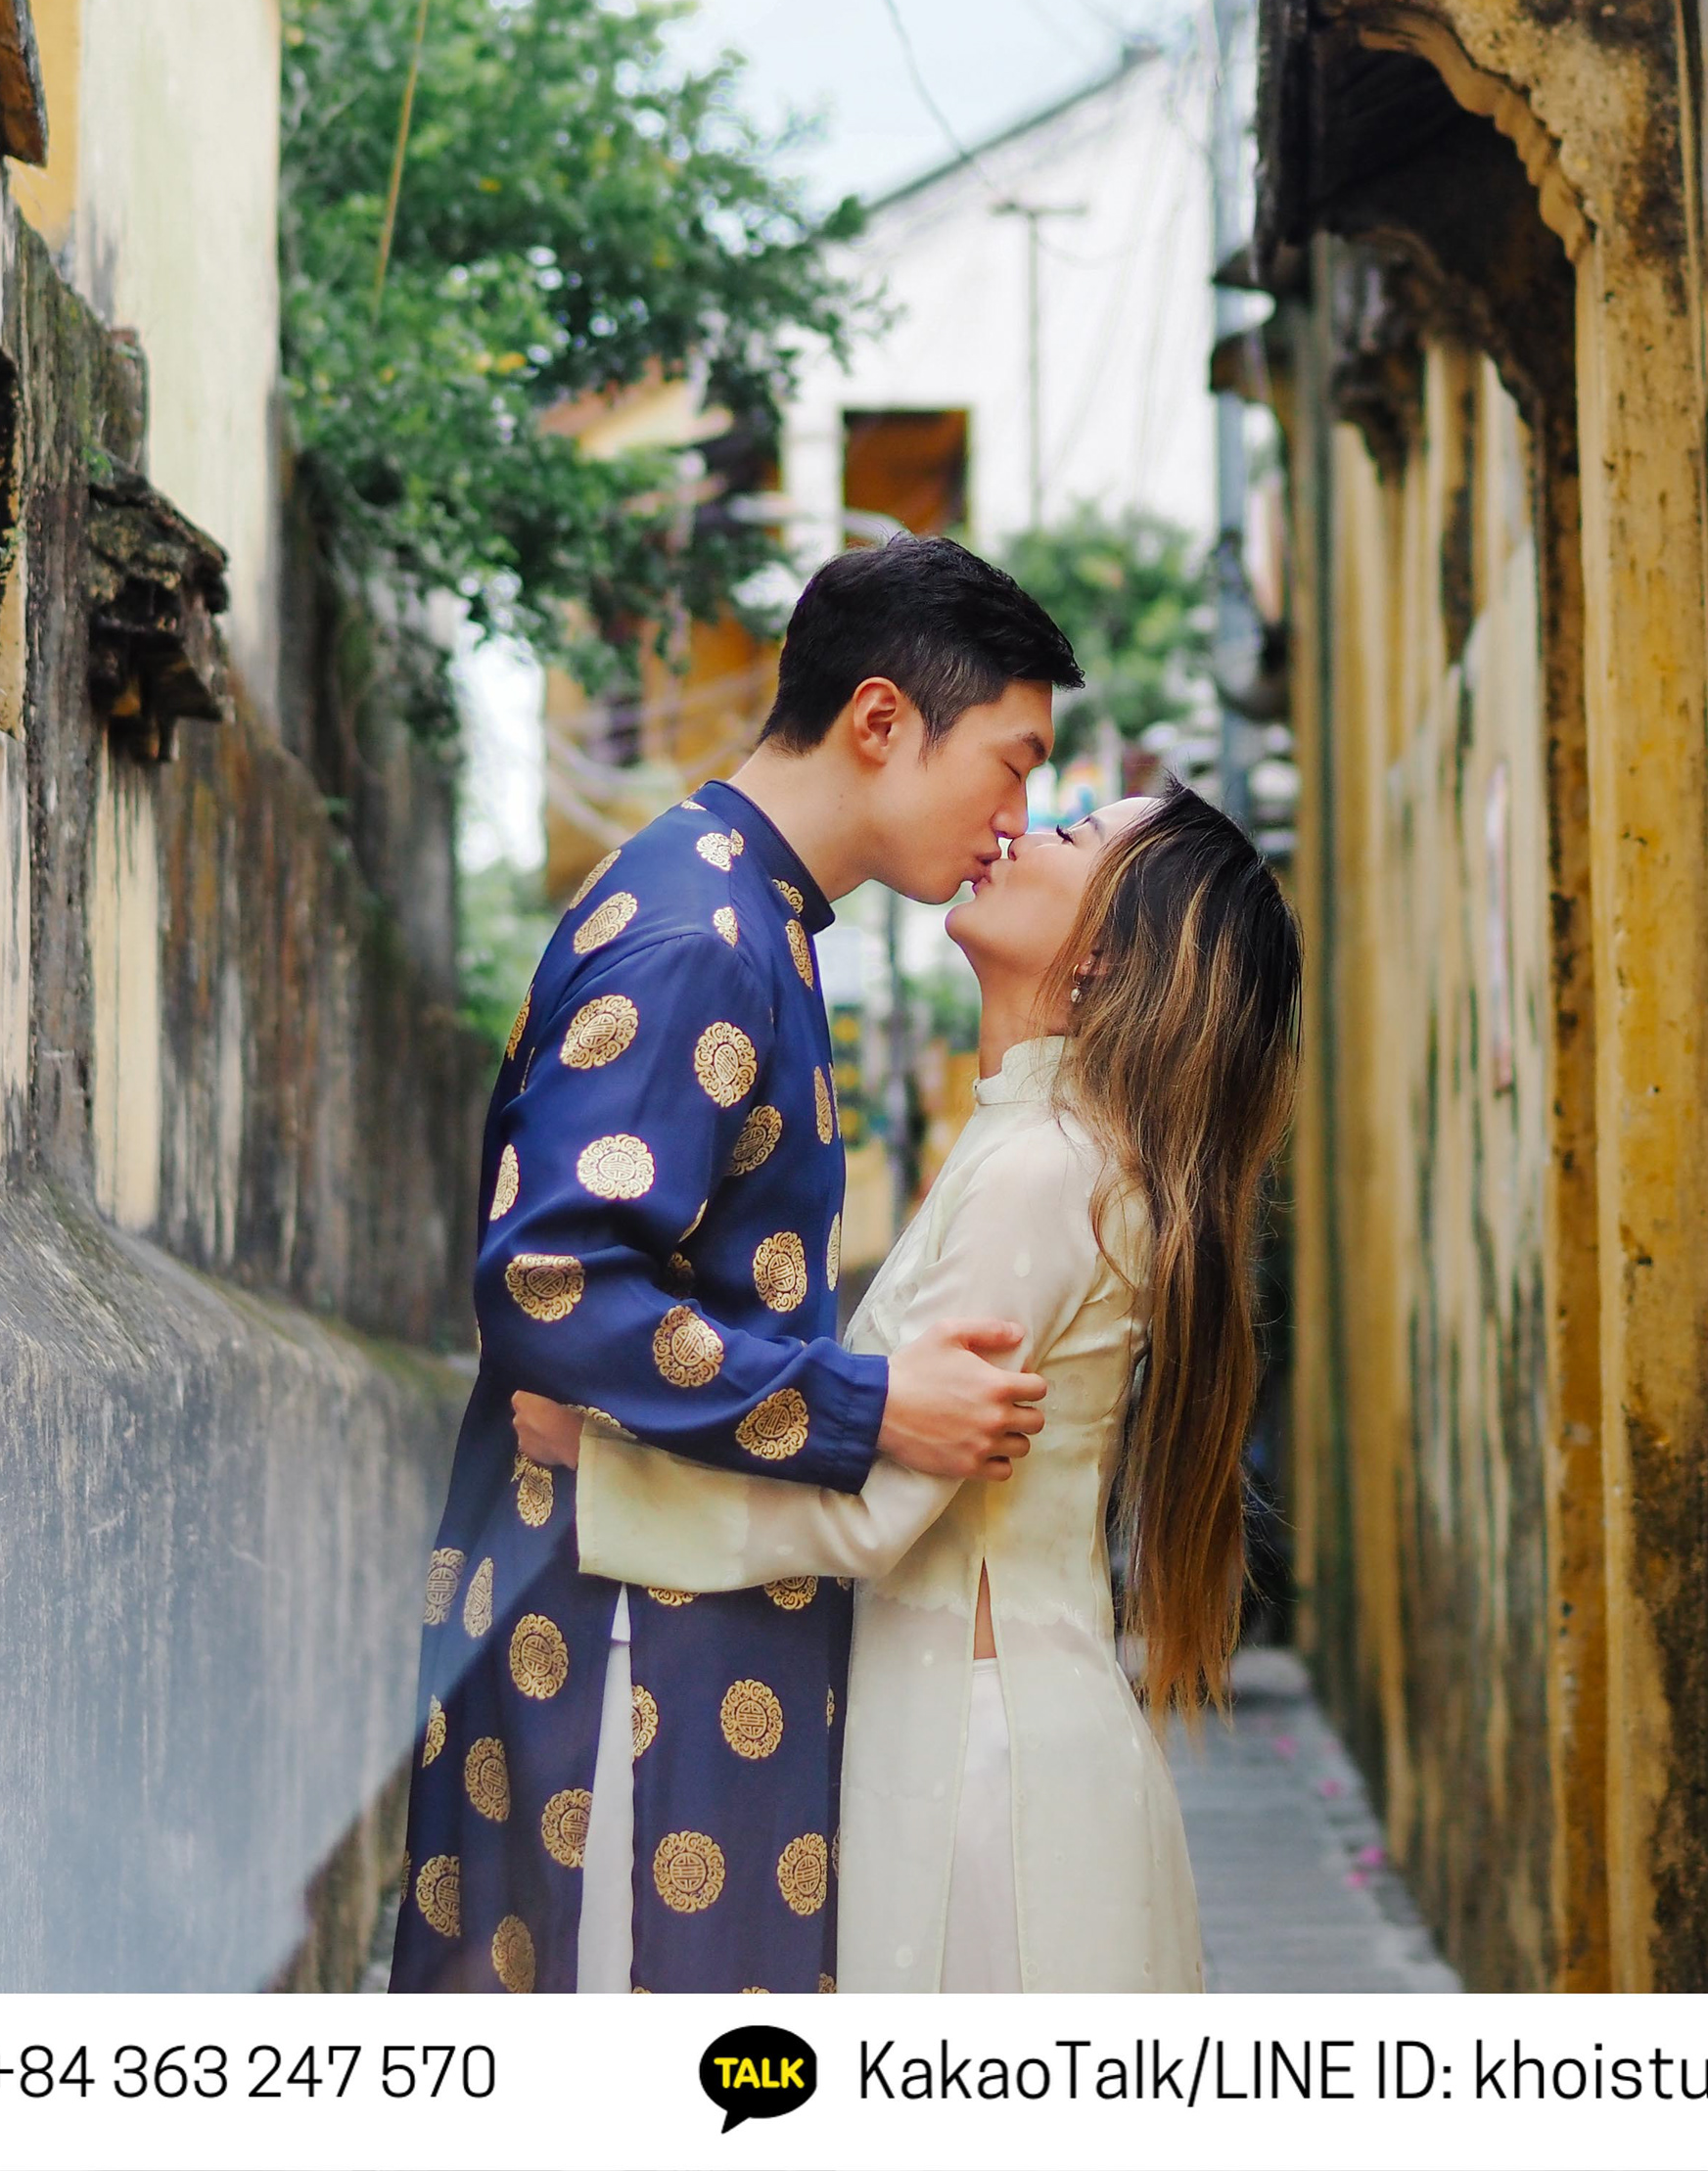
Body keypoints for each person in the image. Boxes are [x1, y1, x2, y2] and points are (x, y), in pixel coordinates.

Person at [395, 537, 1084, 1996]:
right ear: (882, 718)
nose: (1016, 821)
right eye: (1012, 764)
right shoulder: (703, 935)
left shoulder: (744, 910)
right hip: (620, 1653)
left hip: (671, 1620)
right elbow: (554, 1286)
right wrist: (869, 1410)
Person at [514, 786, 1302, 1990]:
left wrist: (599, 1466)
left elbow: (879, 1510)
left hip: (981, 1767)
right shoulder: (1040, 1148)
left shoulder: (1044, 1169)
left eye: (1072, 833)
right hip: (984, 1733)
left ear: (1106, 950)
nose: (1022, 830)